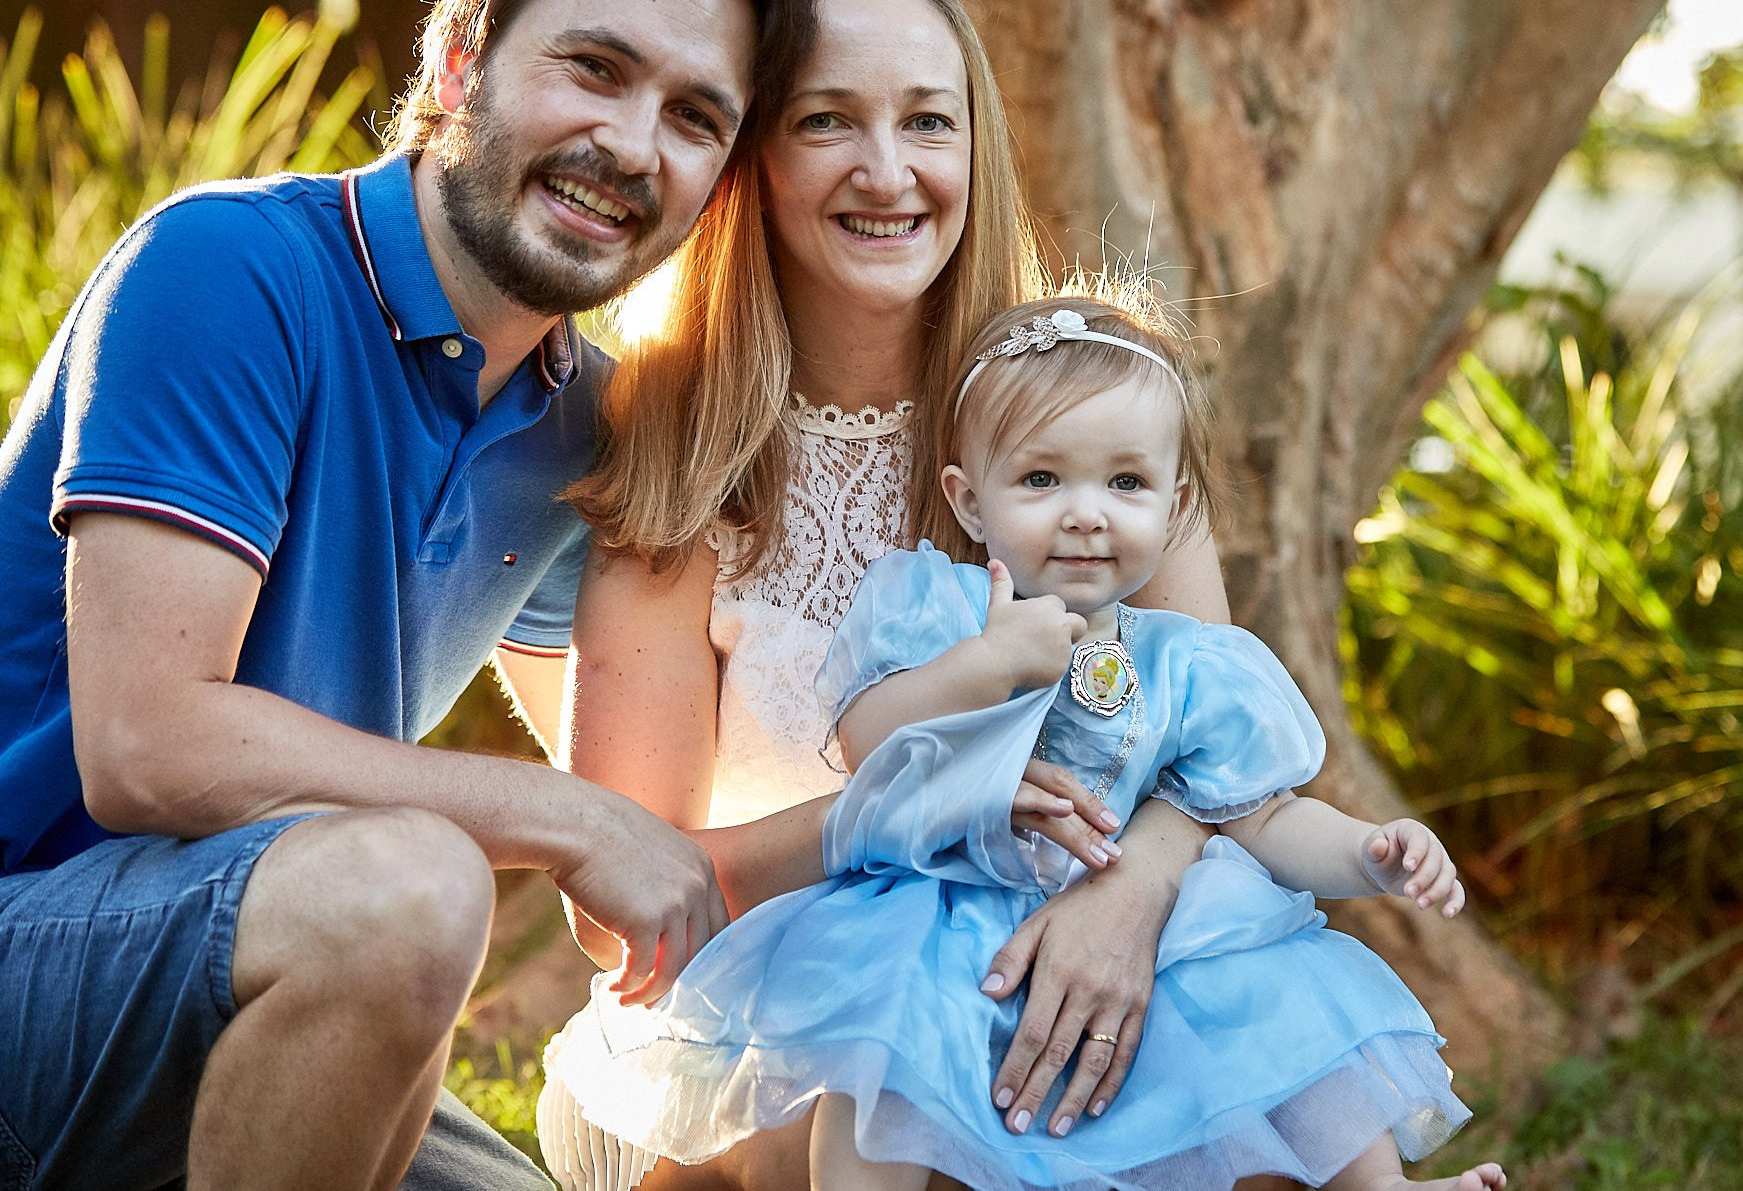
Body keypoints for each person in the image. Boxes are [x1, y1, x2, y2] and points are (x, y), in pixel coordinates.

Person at [0, 0, 809, 1190]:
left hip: (262, 989)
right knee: (411, 890)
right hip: (39, 957)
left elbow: (642, 827)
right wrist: (553, 816)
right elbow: (145, 745)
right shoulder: (228, 271)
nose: (630, 145)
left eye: (694, 117)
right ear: (456, 61)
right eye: (595, 69)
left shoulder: (582, 431)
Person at [537, 0, 1227, 1190]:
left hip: (1058, 970)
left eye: (927, 121)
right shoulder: (679, 441)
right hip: (770, 1027)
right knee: (873, 1130)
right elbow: (615, 901)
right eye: (825, 122)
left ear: (977, 147)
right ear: (752, 158)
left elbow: (1222, 740)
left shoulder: (1095, 412)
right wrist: (908, 810)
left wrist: (1128, 902)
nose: (887, 171)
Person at [544, 293, 1507, 1191]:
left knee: (1286, 1007)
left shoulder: (1190, 662)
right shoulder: (941, 605)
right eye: (1043, 478)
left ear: (1174, 509)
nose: (1085, 511)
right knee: (883, 1054)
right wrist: (989, 662)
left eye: (1125, 481)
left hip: (1137, 933)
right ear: (969, 500)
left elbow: (1260, 813)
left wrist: (1370, 854)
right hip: (940, 920)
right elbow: (869, 739)